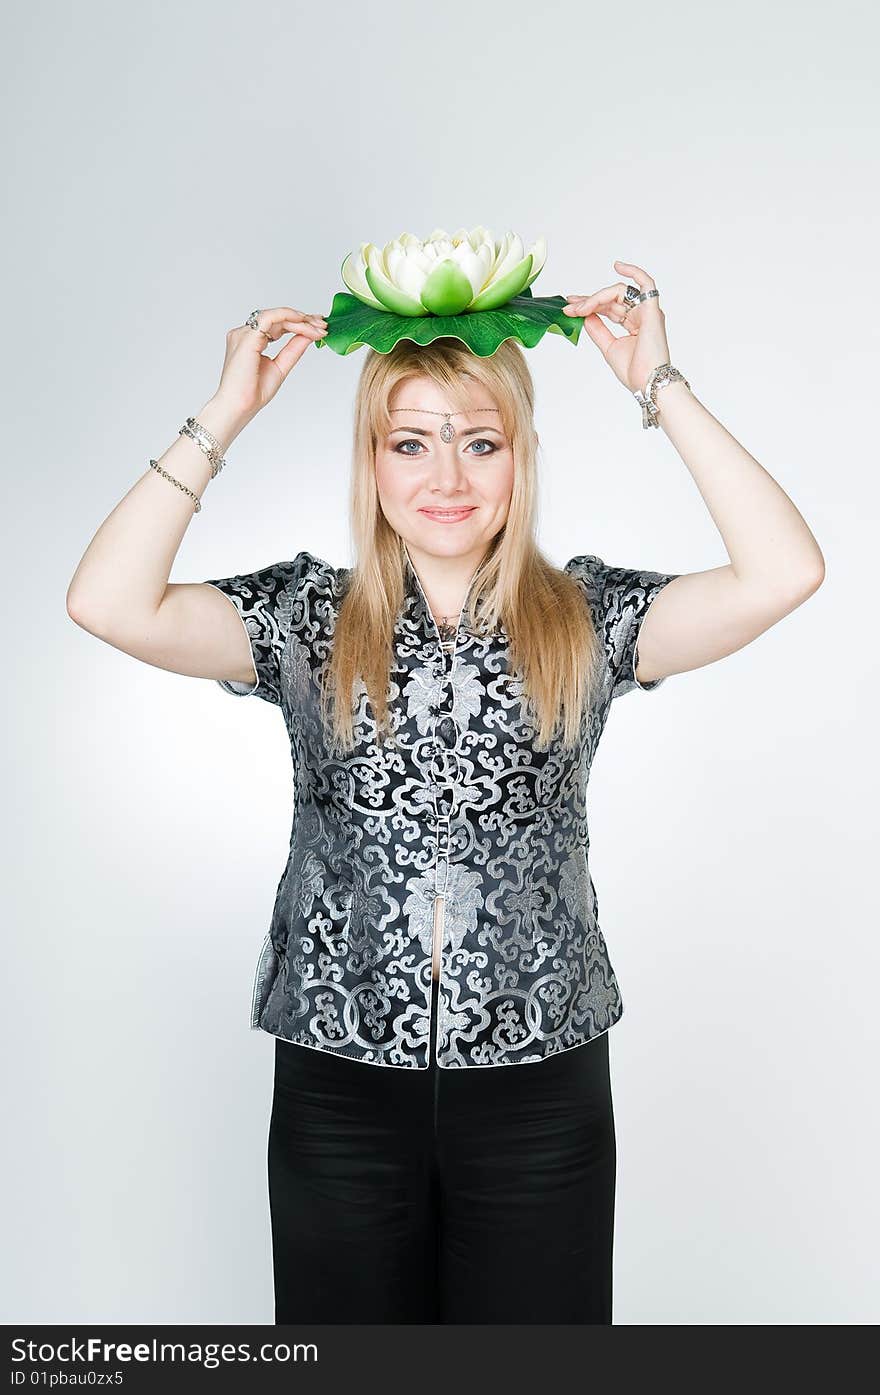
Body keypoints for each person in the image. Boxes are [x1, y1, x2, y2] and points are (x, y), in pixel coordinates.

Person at [66, 261, 825, 1324]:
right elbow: (106, 601)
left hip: (539, 1086)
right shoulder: (307, 619)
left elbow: (783, 572)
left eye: (480, 441)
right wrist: (223, 413)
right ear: (372, 462)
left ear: (519, 457)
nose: (447, 478)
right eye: (410, 442)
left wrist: (660, 386)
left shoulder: (586, 616)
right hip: (338, 1079)